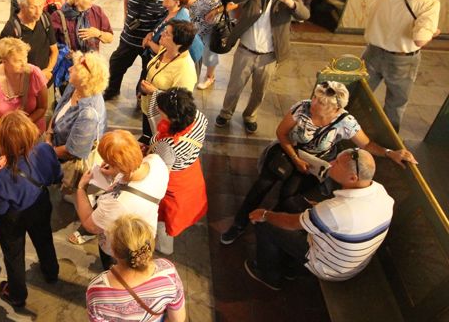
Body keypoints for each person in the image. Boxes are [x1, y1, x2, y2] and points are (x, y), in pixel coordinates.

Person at [220, 81, 416, 245]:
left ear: (336, 108)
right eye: (315, 98)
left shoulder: (345, 122)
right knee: (263, 183)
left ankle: (268, 226)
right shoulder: (302, 108)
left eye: (320, 102)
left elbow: (367, 144)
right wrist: (295, 158)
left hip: (316, 162)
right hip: (290, 151)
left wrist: (390, 153)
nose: (314, 103)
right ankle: (239, 223)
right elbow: (281, 133)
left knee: (289, 195)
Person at [244, 148, 394, 290]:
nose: (332, 163)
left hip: (330, 268)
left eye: (337, 163)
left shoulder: (334, 210)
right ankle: (290, 267)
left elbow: (292, 224)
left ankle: (269, 276)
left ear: (353, 178)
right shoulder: (381, 192)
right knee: (292, 204)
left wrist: (264, 214)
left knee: (265, 225)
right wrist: (318, 212)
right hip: (350, 263)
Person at [215, 0, 310, 134]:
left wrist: (289, 2)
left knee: (259, 90)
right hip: (246, 50)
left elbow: (304, 14)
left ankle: (250, 116)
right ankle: (226, 113)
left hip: (269, 56)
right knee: (235, 86)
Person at [0, 112, 62, 308]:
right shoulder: (46, 149)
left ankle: (18, 294)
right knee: (44, 239)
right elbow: (56, 176)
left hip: (14, 218)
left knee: (13, 255)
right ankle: (51, 272)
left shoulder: (3, 177)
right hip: (40, 204)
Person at [361, 0, 441, 132]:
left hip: (372, 52)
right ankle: (387, 140)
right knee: (395, 103)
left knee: (360, 94)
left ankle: (347, 131)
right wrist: (432, 33)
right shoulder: (429, 3)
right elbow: (420, 39)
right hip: (401, 61)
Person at [75, 130, 169, 270]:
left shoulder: (118, 203)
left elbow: (90, 226)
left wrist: (81, 188)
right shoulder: (156, 161)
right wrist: (114, 172)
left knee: (117, 272)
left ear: (118, 165)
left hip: (119, 249)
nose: (104, 163)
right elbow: (130, 179)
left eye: (108, 161)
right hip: (145, 235)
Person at [86, 215, 187, 322]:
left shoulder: (96, 291)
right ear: (150, 246)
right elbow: (178, 319)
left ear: (113, 251)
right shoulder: (168, 273)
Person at [148, 88, 208, 254]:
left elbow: (161, 173)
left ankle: (164, 247)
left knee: (165, 219)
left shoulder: (168, 145)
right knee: (183, 210)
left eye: (162, 113)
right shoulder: (199, 117)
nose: (159, 113)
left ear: (173, 119)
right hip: (190, 171)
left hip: (173, 184)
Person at [103, 0, 169, 102]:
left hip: (149, 41)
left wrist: (153, 34)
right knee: (116, 62)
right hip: (129, 36)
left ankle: (141, 96)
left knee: (147, 70)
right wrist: (126, 15)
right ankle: (112, 90)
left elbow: (168, 16)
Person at [138, 21, 198, 143]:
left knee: (155, 146)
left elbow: (179, 104)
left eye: (167, 34)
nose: (161, 35)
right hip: (149, 110)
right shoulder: (166, 50)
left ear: (178, 43)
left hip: (163, 121)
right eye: (164, 31)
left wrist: (154, 91)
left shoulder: (185, 69)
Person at [186, 0, 236, 90]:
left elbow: (234, 4)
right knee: (191, 48)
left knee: (209, 52)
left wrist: (215, 11)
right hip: (193, 21)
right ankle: (191, 74)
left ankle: (210, 77)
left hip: (211, 25)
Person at [48, 52, 108, 162]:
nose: (69, 69)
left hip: (65, 163)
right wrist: (48, 136)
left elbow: (71, 152)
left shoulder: (89, 114)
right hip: (52, 148)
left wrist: (46, 151)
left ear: (84, 78)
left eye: (75, 68)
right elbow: (58, 110)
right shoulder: (74, 86)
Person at [0, 37, 49, 133]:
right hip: (7, 135)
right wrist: (7, 128)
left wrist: (23, 126)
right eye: (18, 61)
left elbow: (43, 107)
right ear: (4, 61)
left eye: (25, 58)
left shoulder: (35, 73)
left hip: (33, 131)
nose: (24, 63)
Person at [1, 0, 59, 84]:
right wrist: (38, 75)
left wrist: (48, 70)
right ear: (22, 6)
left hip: (46, 80)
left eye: (41, 6)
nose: (38, 12)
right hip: (24, 85)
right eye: (33, 7)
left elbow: (54, 51)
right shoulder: (11, 30)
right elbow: (6, 65)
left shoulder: (45, 19)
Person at [142, 0, 203, 67]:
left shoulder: (177, 24)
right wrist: (151, 34)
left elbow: (166, 51)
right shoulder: (172, 11)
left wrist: (149, 43)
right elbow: (160, 28)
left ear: (177, 2)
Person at [49, 0, 114, 53]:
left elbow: (110, 38)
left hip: (91, 61)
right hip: (69, 63)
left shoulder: (97, 11)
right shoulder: (57, 17)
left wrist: (98, 34)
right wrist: (66, 51)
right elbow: (50, 44)